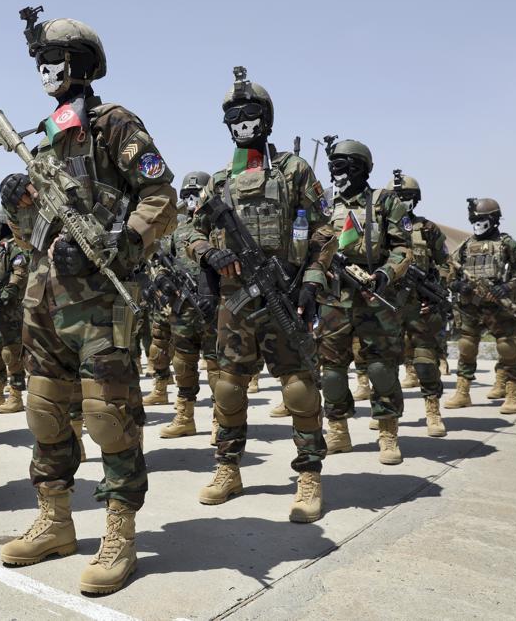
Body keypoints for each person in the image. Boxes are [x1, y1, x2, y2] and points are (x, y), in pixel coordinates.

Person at [0, 8, 177, 594]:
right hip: (44, 299)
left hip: (102, 301)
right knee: (44, 410)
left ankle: (119, 530)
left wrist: (123, 243)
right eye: (40, 61)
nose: (45, 70)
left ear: (79, 63)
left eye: (53, 58)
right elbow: (31, 233)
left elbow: (159, 197)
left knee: (109, 417)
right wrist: (19, 205)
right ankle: (55, 521)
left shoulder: (113, 124)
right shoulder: (47, 135)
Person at [186, 68, 327, 519]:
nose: (243, 122)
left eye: (250, 114)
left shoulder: (292, 170)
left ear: (266, 118)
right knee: (227, 387)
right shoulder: (220, 181)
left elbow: (326, 230)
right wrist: (207, 252)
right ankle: (228, 468)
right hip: (236, 301)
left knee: (300, 390)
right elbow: (191, 227)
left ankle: (308, 476)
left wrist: (312, 281)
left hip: (283, 293)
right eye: (235, 115)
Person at [311, 138, 412, 464]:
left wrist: (386, 273)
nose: (336, 172)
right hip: (334, 296)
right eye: (333, 165)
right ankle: (338, 430)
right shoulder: (324, 202)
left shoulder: (384, 202)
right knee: (332, 372)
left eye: (342, 165)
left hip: (374, 294)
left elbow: (402, 248)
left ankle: (387, 433)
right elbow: (306, 239)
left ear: (360, 167)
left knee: (382, 367)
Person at [445, 198, 516, 414]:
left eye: (482, 219)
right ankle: (463, 392)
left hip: (499, 307)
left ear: (493, 220)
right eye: (474, 219)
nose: (477, 223)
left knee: (507, 348)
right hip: (471, 306)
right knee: (466, 347)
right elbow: (448, 272)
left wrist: (508, 286)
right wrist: (457, 285)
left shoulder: (507, 244)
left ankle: (512, 393)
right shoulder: (465, 246)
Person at [156, 171, 220, 439]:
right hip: (183, 308)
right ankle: (185, 416)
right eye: (186, 195)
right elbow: (160, 263)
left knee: (217, 365)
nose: (191, 199)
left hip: (214, 308)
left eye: (196, 193)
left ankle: (221, 420)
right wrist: (163, 281)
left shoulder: (218, 227)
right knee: (182, 364)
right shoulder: (177, 230)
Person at [385, 172, 450, 436]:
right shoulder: (379, 228)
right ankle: (388, 418)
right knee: (385, 364)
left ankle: (432, 411)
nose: (403, 201)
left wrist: (436, 292)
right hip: (387, 304)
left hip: (420, 306)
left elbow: (445, 264)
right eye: (397, 197)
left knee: (425, 361)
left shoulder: (428, 228)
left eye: (408, 197)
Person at [0, 205, 28, 413]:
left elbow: (20, 271)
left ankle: (16, 395)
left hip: (10, 307)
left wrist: (9, 291)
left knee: (11, 351)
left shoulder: (14, 246)